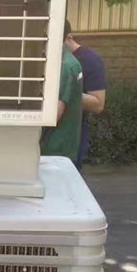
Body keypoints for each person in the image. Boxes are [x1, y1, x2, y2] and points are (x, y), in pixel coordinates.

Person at [64, 21, 108, 168]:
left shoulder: (90, 59)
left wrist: (64, 93)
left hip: (73, 136)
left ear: (69, 37)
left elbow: (98, 104)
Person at [40, 20, 83, 164]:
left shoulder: (64, 66)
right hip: (64, 146)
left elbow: (54, 114)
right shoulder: (70, 62)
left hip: (54, 150)